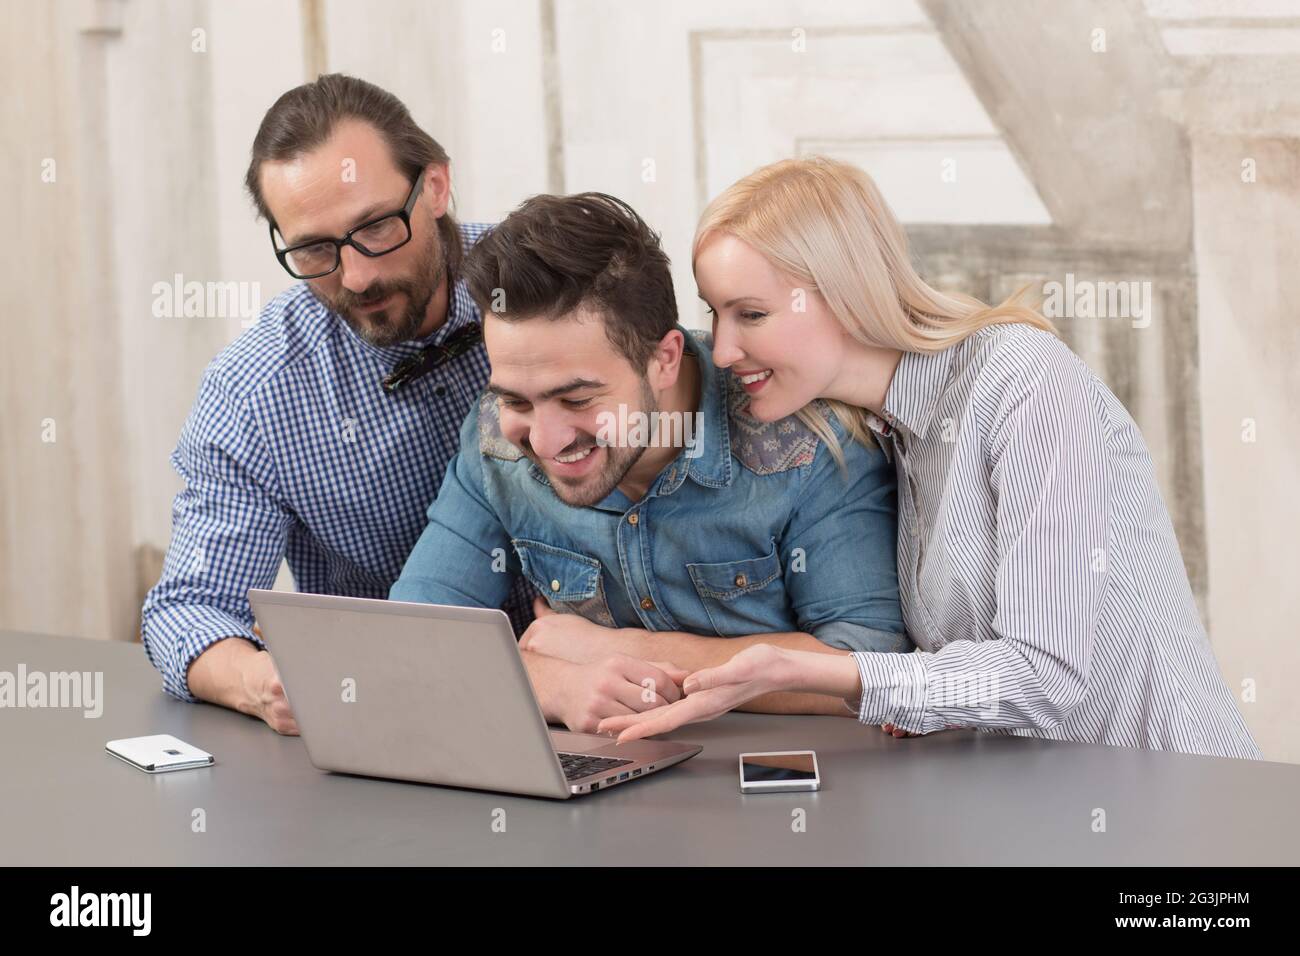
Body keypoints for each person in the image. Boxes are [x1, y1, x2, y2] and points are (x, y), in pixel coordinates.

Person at [597, 156, 1261, 760]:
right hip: (1056, 813)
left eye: (752, 314)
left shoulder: (1023, 382)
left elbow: (1047, 673)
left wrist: (812, 670)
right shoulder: (891, 437)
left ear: (846, 292)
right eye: (718, 313)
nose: (727, 350)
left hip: (1177, 805)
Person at [390, 191, 910, 733]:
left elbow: (869, 660)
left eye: (577, 400)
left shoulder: (806, 441)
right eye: (517, 399)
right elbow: (416, 633)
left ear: (663, 359)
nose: (544, 439)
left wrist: (620, 652)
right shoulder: (495, 439)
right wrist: (548, 683)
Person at [141, 74, 532, 734]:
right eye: (314, 250)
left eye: (376, 227)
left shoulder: (551, 287)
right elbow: (190, 607)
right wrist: (263, 683)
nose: (357, 276)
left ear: (435, 186)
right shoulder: (256, 391)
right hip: (398, 723)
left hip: (610, 702)